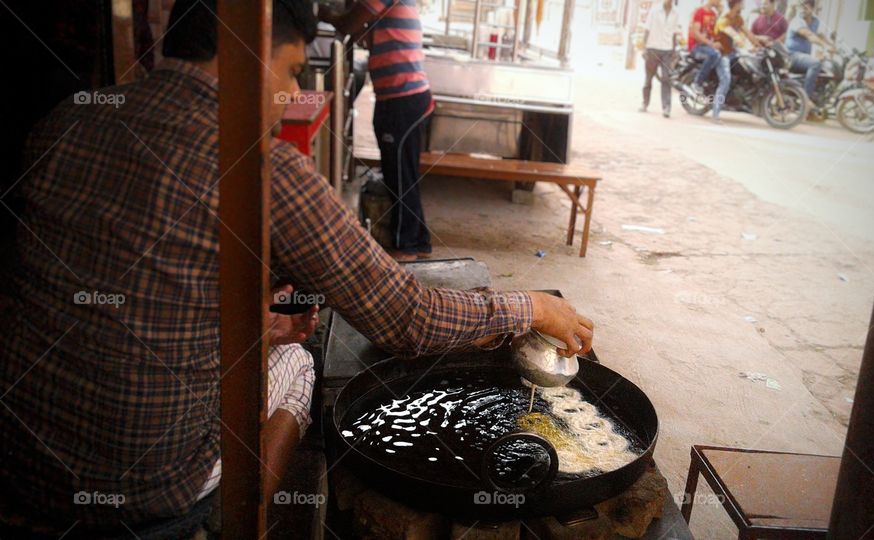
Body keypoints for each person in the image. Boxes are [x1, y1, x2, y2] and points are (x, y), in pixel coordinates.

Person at [0, 0, 593, 535]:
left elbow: (138, 289)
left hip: (20, 464)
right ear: (249, 50)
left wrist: (264, 320)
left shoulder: (68, 121)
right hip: (149, 490)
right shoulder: (259, 166)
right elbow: (407, 318)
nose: (289, 95)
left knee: (268, 335)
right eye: (287, 73)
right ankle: (244, 517)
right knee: (294, 364)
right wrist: (534, 306)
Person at [319, 0, 433, 261]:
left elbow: (350, 23)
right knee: (400, 171)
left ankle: (407, 246)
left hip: (404, 97)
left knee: (399, 173)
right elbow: (361, 33)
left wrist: (327, 14)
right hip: (396, 96)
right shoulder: (385, 10)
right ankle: (418, 240)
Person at [712, 0, 766, 123]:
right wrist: (744, 45)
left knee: (746, 71)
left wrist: (759, 46)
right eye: (741, 3)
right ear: (736, 4)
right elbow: (733, 35)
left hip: (732, 52)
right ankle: (716, 114)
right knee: (725, 80)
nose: (743, 5)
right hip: (721, 54)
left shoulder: (738, 18)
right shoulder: (724, 19)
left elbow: (748, 33)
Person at [786, 0, 834, 105]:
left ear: (812, 8)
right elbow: (809, 35)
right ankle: (805, 98)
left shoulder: (815, 21)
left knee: (826, 66)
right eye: (801, 6)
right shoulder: (797, 21)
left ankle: (818, 98)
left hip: (803, 57)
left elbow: (819, 35)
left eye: (805, 6)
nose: (802, 9)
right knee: (815, 63)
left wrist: (832, 45)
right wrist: (825, 46)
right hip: (791, 56)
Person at [640, 0, 681, 118]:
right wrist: (644, 48)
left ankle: (666, 107)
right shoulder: (654, 10)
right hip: (653, 48)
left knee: (666, 78)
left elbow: (674, 33)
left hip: (667, 50)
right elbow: (647, 29)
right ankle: (645, 103)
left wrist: (674, 50)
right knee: (648, 78)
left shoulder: (676, 13)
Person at [687, 0, 723, 96]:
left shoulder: (713, 14)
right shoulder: (699, 12)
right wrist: (711, 44)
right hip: (696, 47)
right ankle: (697, 83)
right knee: (713, 55)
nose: (720, 1)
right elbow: (695, 34)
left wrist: (720, 14)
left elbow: (714, 33)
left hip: (706, 46)